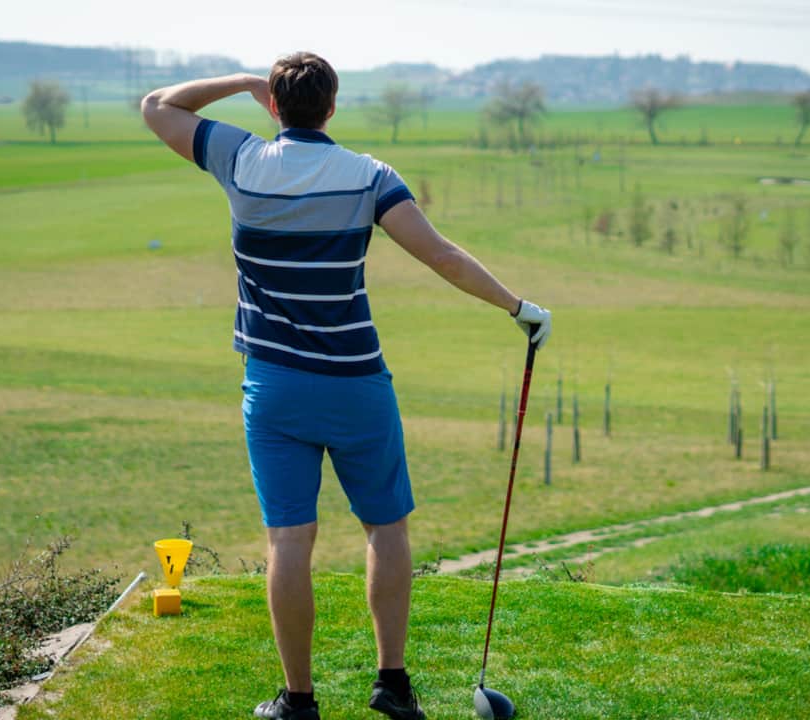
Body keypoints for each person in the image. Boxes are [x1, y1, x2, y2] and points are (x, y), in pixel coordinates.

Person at [141, 52, 551, 720]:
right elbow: (443, 256)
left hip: (272, 389)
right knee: (385, 529)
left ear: (275, 105)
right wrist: (518, 308)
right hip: (357, 384)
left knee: (289, 542)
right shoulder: (368, 175)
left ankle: (298, 702)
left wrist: (243, 82)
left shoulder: (239, 159)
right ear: (331, 108)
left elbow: (158, 104)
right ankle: (393, 685)